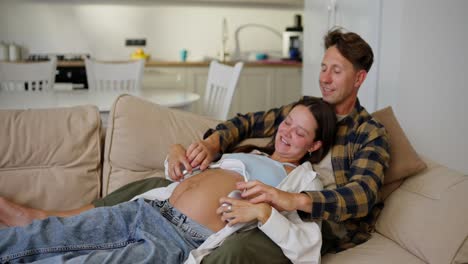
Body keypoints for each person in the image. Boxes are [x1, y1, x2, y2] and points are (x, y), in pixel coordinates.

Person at [0, 27, 390, 262]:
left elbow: (360, 196)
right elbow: (246, 122)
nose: (324, 77)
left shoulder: (365, 135)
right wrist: (210, 144)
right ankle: (30, 226)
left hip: (230, 230)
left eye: (336, 71)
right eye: (323, 66)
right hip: (155, 210)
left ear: (359, 79)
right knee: (47, 238)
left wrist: (288, 201)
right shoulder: (296, 117)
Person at [0, 98, 337, 264]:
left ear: (315, 145)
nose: (287, 133)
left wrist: (263, 214)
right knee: (44, 234)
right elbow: (184, 179)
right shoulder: (249, 153)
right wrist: (174, 156)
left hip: (178, 240)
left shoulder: (304, 184)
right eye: (287, 122)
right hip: (147, 209)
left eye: (300, 132)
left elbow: (306, 248)